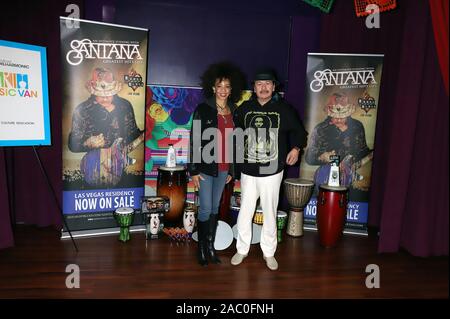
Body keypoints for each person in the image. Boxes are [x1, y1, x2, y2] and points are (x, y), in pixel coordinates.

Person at [231, 68, 307, 271]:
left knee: (270, 213)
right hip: (248, 169)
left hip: (272, 170)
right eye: (259, 84)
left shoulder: (284, 108)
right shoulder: (244, 108)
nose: (263, 88)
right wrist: (235, 167)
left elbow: (300, 132)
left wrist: (296, 148)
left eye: (267, 84)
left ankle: (269, 252)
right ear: (254, 88)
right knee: (245, 211)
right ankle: (242, 249)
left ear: (274, 87)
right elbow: (236, 136)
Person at [188, 61, 245, 266]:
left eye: (227, 86)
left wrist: (232, 169)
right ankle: (201, 250)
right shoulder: (203, 109)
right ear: (213, 87)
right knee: (205, 208)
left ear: (232, 90)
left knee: (214, 209)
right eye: (219, 86)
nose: (223, 90)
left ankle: (210, 248)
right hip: (205, 168)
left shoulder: (234, 111)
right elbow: (194, 139)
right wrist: (193, 170)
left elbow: (236, 141)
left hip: (223, 168)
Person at [304, 92, 372, 188]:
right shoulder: (320, 129)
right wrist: (321, 157)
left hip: (348, 178)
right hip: (324, 178)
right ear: (329, 113)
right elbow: (309, 158)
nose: (339, 119)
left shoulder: (357, 126)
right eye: (335, 115)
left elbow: (363, 151)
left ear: (348, 114)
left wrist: (351, 162)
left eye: (342, 115)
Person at [68, 67, 142, 153]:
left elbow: (134, 135)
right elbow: (73, 145)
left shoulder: (125, 105)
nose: (105, 98)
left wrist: (145, 134)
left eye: (109, 93)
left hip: (121, 161)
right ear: (93, 91)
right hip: (91, 163)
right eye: (100, 94)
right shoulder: (81, 110)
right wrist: (86, 143)